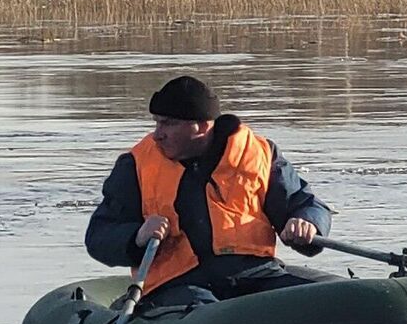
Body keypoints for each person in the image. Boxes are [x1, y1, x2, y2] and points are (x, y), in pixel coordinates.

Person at [86, 75, 332, 308]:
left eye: (168, 124)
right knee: (204, 311)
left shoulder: (258, 154)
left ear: (202, 126)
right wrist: (137, 236)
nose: (158, 134)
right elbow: (99, 235)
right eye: (157, 122)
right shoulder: (136, 165)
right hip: (177, 285)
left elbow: (303, 202)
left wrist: (306, 221)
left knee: (321, 301)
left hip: (255, 276)